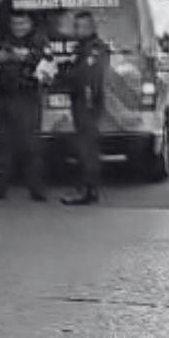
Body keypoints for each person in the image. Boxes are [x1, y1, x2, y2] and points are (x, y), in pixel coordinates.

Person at [0, 9, 53, 202]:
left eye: (22, 24)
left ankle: (37, 190)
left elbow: (47, 64)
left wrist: (23, 57)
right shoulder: (3, 41)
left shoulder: (39, 42)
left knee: (31, 147)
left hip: (28, 99)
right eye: (15, 24)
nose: (18, 28)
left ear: (30, 24)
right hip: (6, 99)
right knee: (3, 147)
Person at [61, 11, 108, 206]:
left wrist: (67, 75)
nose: (75, 30)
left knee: (86, 148)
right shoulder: (83, 48)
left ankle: (87, 190)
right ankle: (88, 188)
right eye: (75, 26)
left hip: (87, 102)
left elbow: (88, 77)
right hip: (82, 101)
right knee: (85, 146)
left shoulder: (94, 49)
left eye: (79, 26)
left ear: (90, 27)